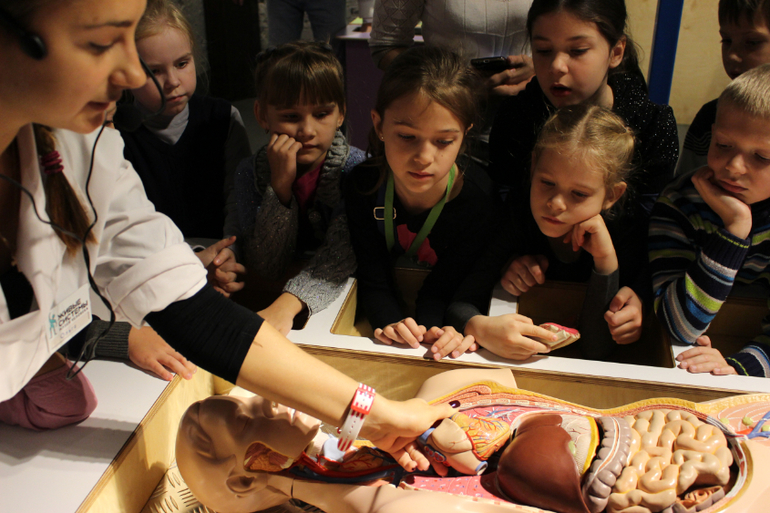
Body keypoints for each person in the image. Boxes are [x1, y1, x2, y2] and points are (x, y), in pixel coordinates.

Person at [0, 0, 454, 469]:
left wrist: (373, 416)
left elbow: (195, 314)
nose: (133, 76)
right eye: (99, 43)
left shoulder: (80, 146)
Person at [175, 368, 741, 513]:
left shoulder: (386, 429)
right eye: (246, 420)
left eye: (255, 397)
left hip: (690, 437)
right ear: (244, 476)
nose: (268, 402)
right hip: (643, 480)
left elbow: (487, 379)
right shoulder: (374, 499)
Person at [488, 0, 678, 340]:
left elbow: (657, 231)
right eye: (543, 50)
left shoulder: (651, 125)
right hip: (534, 293)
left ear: (616, 51)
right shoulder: (516, 117)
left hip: (614, 297)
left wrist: (641, 292)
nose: (557, 66)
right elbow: (502, 212)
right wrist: (509, 260)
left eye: (577, 51)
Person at [344, 47, 498, 361]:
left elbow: (446, 289)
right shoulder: (360, 185)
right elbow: (372, 276)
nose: (424, 157)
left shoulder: (480, 203)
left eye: (443, 141)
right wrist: (390, 322)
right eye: (407, 136)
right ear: (379, 125)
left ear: (464, 135)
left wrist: (432, 331)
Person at [447, 105, 635, 361]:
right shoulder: (516, 215)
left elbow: (597, 350)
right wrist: (479, 326)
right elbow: (459, 304)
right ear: (534, 164)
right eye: (547, 183)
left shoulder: (625, 235)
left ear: (612, 195)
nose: (556, 203)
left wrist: (605, 262)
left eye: (578, 194)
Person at [232, 41, 365, 334]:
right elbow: (266, 266)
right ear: (262, 115)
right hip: (276, 302)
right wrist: (280, 187)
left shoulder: (357, 171)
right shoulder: (250, 173)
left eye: (321, 114)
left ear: (340, 113)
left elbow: (342, 256)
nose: (307, 130)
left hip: (341, 304)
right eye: (291, 117)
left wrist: (286, 305)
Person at [651, 65, 770, 379]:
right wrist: (736, 228)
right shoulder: (680, 203)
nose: (734, 166)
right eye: (723, 145)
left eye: (762, 157)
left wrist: (739, 367)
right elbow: (678, 325)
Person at [118, 0, 251, 246]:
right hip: (155, 258)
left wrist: (229, 251)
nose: (172, 81)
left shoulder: (223, 118)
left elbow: (240, 199)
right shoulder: (115, 133)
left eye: (182, 64)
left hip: (220, 253)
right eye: (154, 71)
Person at [677, 0, 770, 176]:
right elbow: (682, 185)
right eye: (727, 40)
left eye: (752, 42)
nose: (732, 55)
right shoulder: (709, 117)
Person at [369, 0, 535, 95]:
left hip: (534, 107)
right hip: (448, 114)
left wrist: (538, 68)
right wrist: (447, 83)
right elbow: (386, 46)